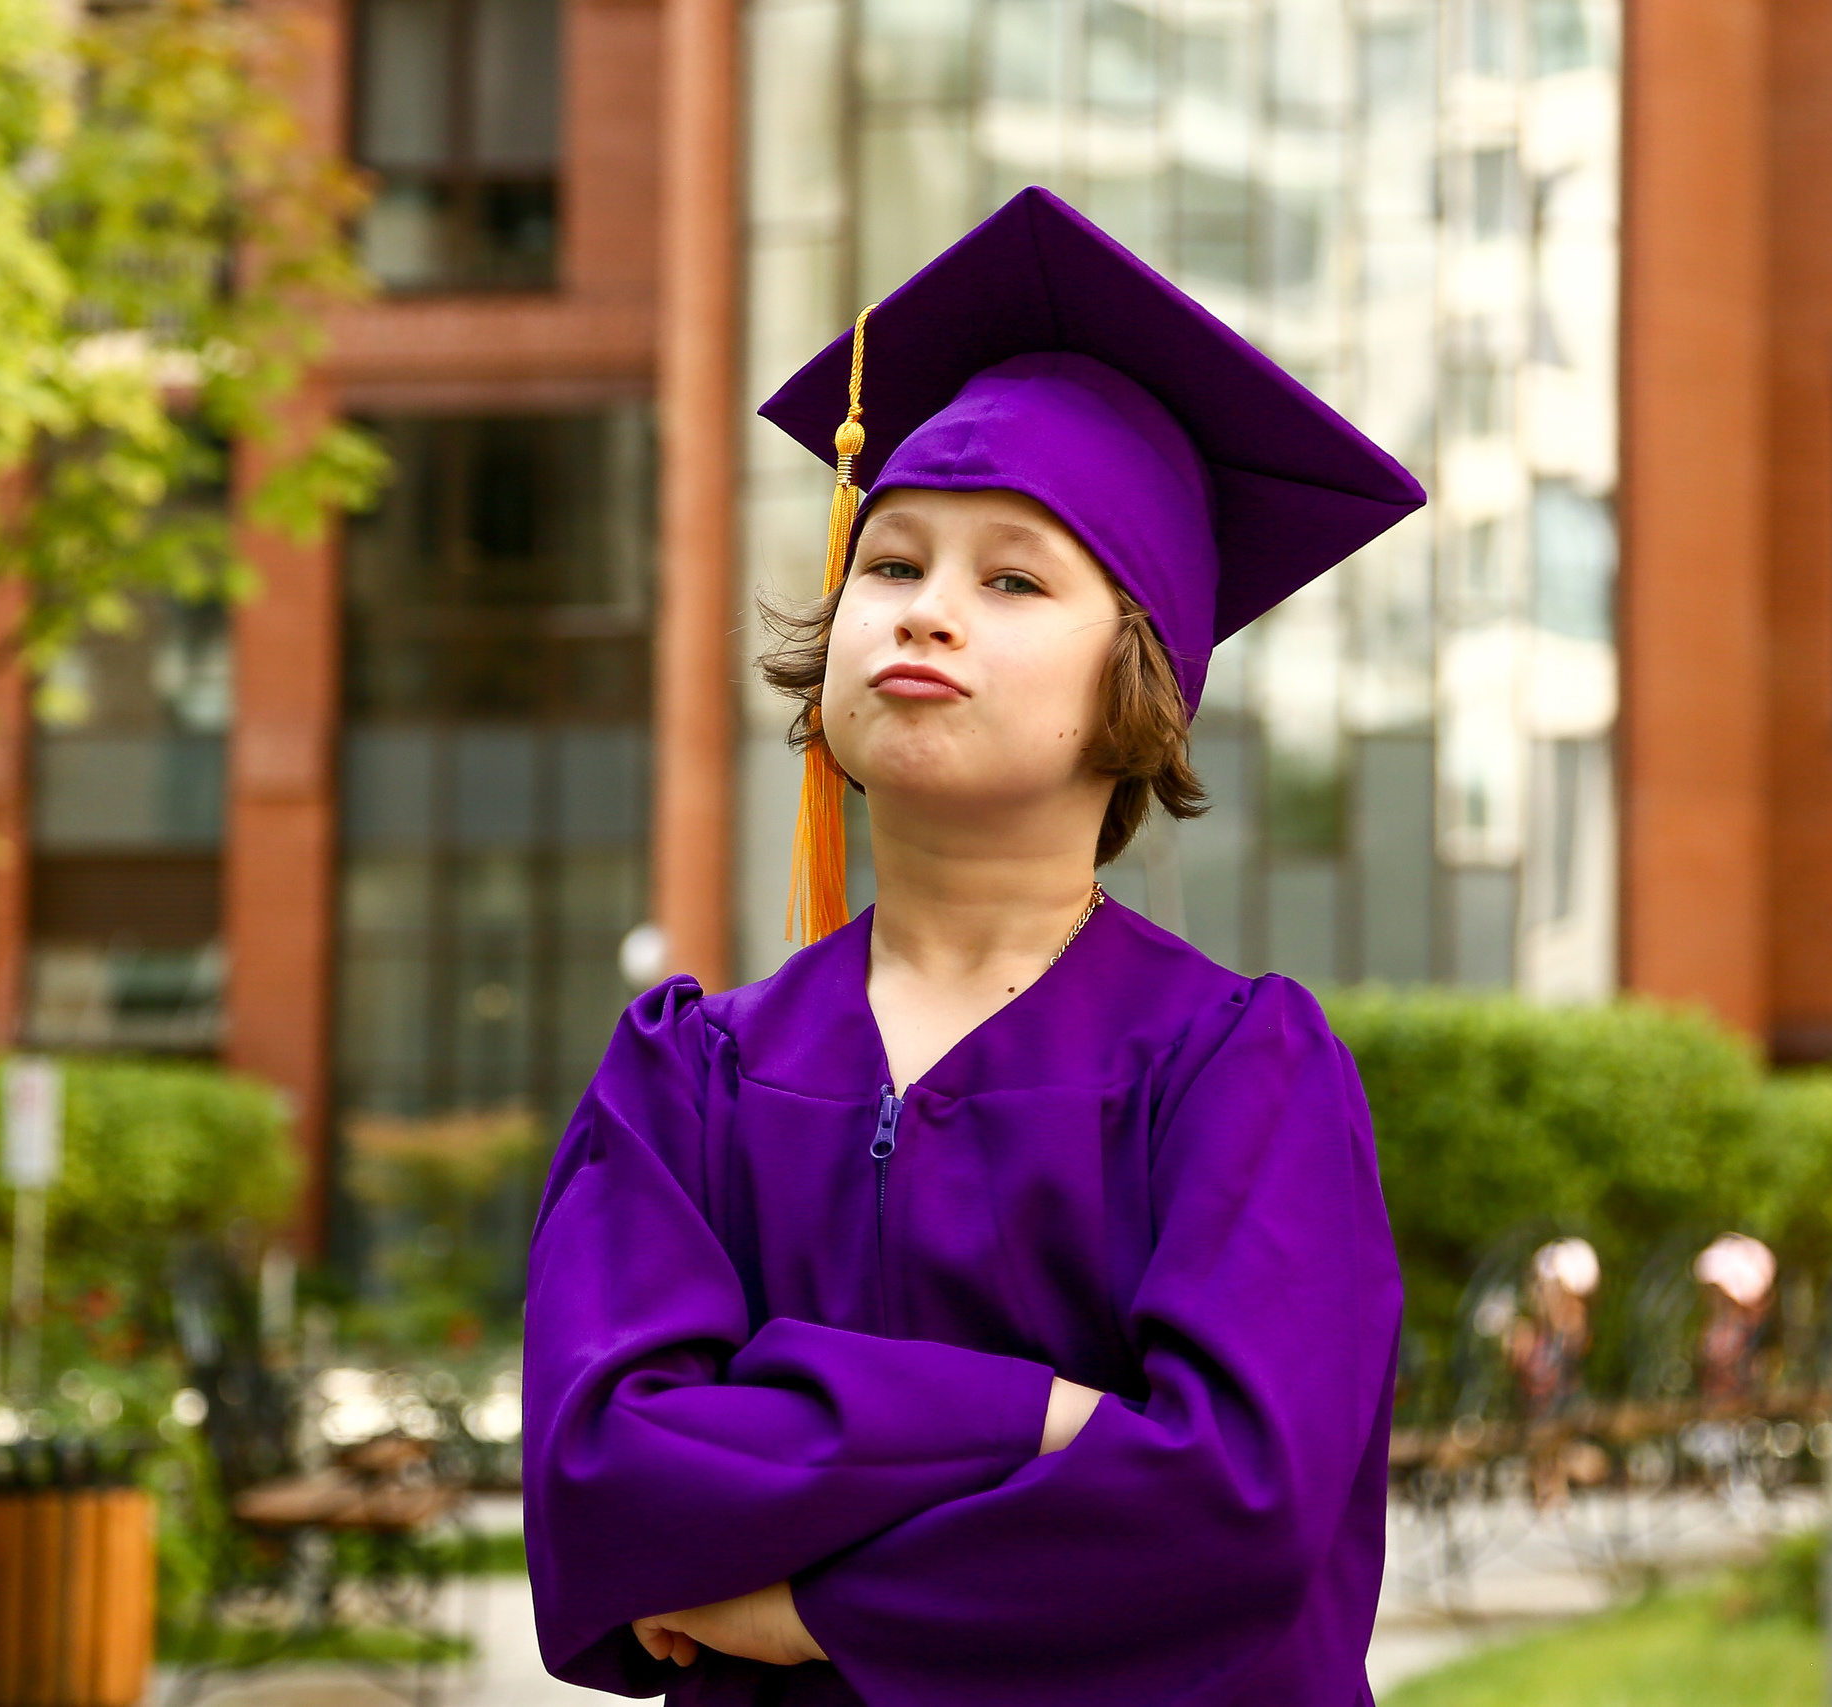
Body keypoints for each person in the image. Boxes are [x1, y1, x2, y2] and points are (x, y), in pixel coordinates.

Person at [522, 187, 1422, 1706]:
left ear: (1141, 677)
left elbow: (1232, 1512)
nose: (927, 611)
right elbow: (604, 1476)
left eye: (1013, 579)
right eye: (892, 564)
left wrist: (810, 1600)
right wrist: (1053, 1425)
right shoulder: (693, 1074)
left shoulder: (1237, 1071)